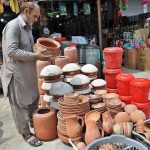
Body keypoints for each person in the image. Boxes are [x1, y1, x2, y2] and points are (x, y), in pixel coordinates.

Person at [1, 2, 51, 147]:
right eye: (35, 16)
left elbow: (28, 48)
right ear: (27, 11)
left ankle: (33, 122)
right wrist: (36, 56)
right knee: (20, 105)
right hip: (15, 74)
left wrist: (39, 50)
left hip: (27, 71)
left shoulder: (27, 27)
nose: (36, 19)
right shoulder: (13, 26)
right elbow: (11, 51)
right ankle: (26, 133)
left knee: (33, 99)